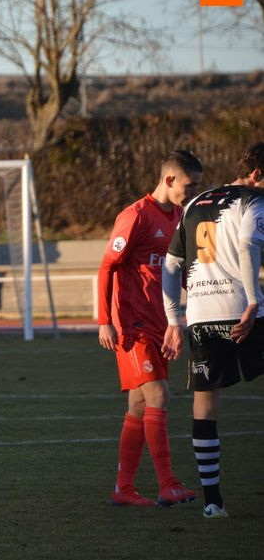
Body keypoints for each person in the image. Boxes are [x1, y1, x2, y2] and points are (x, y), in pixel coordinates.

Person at [162, 141, 264, 520]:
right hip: (243, 310)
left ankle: (211, 501)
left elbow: (170, 268)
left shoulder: (193, 203)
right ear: (256, 175)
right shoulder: (253, 201)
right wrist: (252, 301)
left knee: (205, 405)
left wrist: (174, 320)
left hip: (202, 316)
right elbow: (248, 245)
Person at [98, 150, 204, 509]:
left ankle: (123, 489)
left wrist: (179, 322)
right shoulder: (135, 216)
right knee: (159, 396)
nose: (192, 193)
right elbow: (106, 268)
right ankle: (167, 484)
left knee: (139, 405)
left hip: (161, 325)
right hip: (133, 326)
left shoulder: (179, 217)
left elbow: (179, 272)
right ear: (170, 179)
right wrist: (104, 321)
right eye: (190, 185)